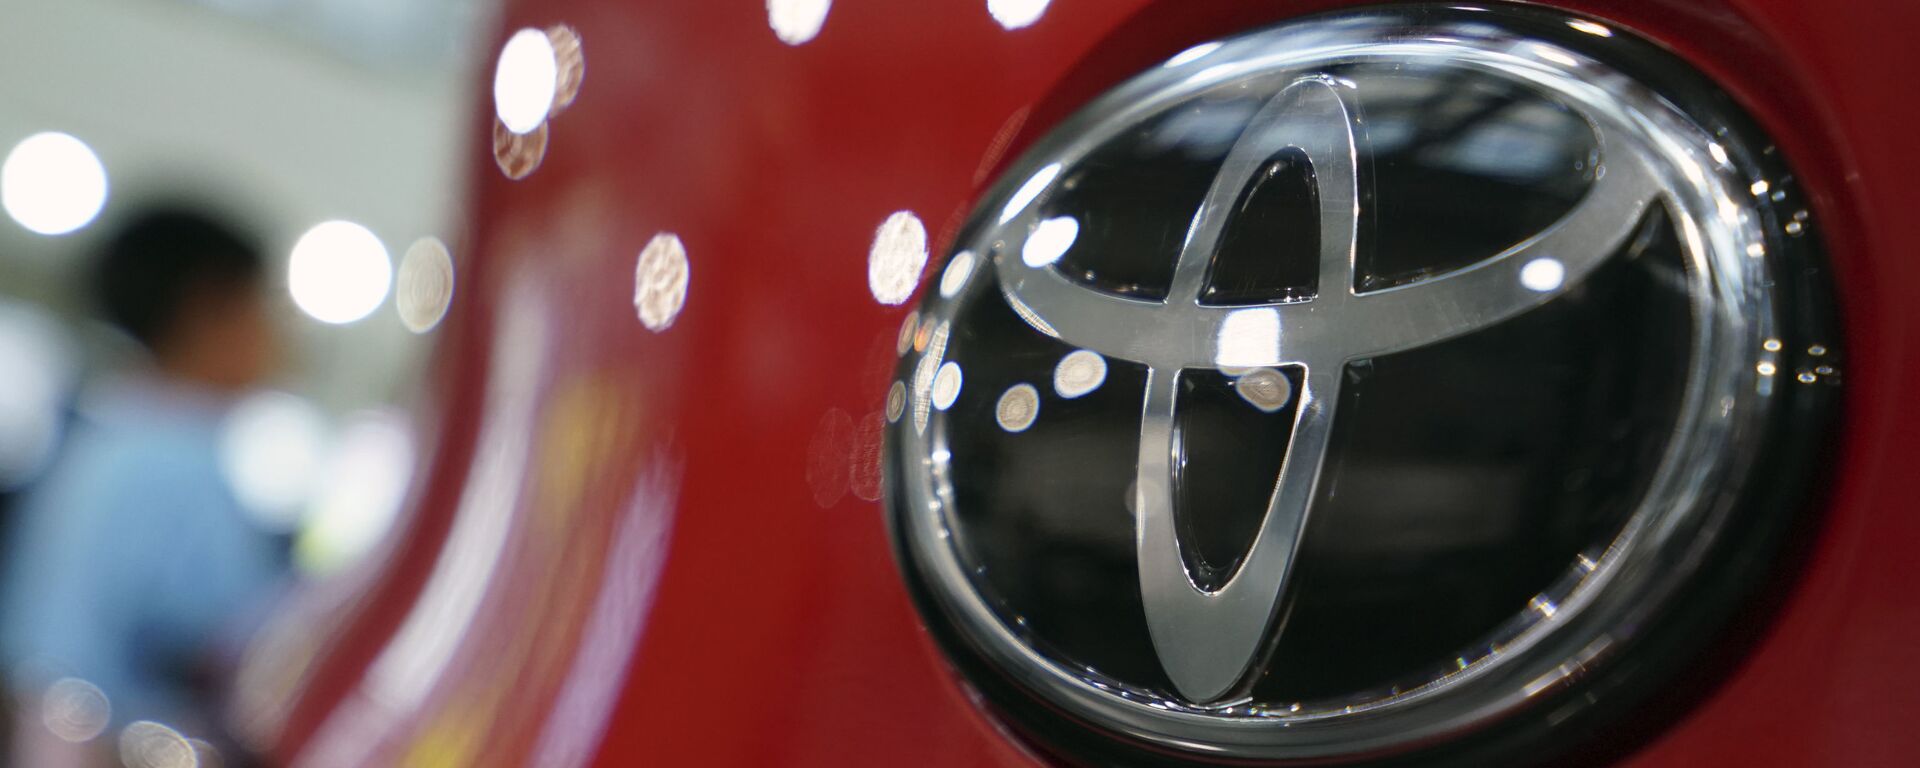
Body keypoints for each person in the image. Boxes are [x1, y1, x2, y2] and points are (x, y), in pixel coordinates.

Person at [0, 208, 286, 763]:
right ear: (210, 310)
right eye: (266, 307)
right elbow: (232, 646)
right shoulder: (174, 461)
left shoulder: (104, 438)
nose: (278, 336)